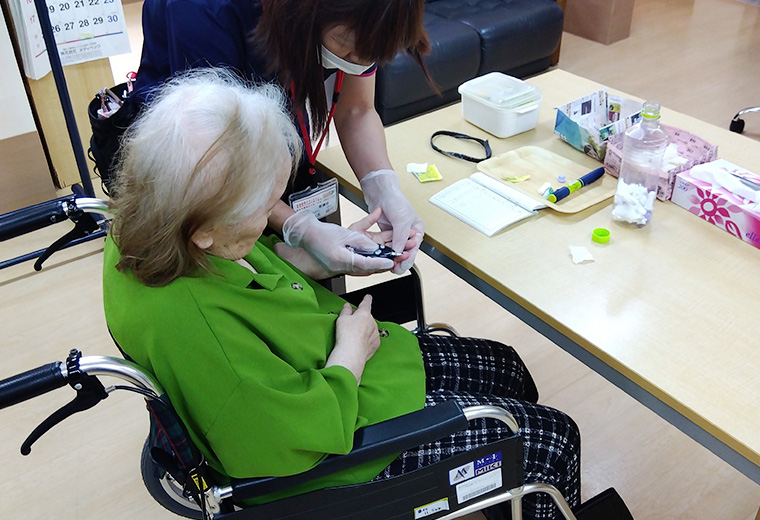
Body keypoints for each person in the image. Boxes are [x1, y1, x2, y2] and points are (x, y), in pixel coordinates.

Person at [103, 70, 581, 519]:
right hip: (332, 448)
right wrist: (351, 354)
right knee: (554, 443)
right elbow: (283, 443)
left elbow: (242, 274)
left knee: (507, 368)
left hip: (328, 365)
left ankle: (496, 496)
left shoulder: (152, 226)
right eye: (262, 207)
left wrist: (318, 256)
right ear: (204, 229)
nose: (271, 216)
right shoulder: (193, 330)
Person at [114, 0, 432, 277]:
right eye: (344, 44)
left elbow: (356, 110)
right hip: (202, 178)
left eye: (371, 54)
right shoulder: (201, 11)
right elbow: (213, 167)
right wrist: (299, 229)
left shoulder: (349, 22)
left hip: (259, 162)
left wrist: (383, 186)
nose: (356, 62)